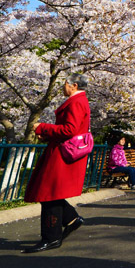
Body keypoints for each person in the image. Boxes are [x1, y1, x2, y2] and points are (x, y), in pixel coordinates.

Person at [22, 73, 91, 253]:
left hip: (62, 154)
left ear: (73, 85)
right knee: (52, 192)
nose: (63, 87)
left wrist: (43, 127)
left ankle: (52, 237)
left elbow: (70, 129)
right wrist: (48, 133)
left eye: (65, 84)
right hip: (62, 151)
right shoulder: (80, 101)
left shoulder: (76, 102)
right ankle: (72, 219)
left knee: (49, 194)